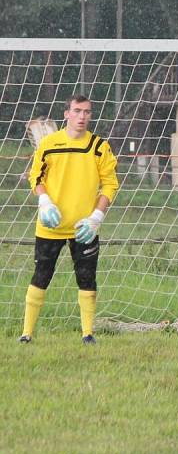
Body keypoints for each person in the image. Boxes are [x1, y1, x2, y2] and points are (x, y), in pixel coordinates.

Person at [19, 95, 119, 345]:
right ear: (66, 114)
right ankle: (26, 334)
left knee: (87, 279)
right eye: (77, 111)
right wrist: (44, 201)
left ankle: (87, 334)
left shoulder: (98, 146)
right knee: (41, 275)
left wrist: (96, 217)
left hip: (84, 228)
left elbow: (110, 184)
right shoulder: (48, 143)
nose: (82, 116)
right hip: (50, 227)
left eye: (87, 112)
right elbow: (36, 178)